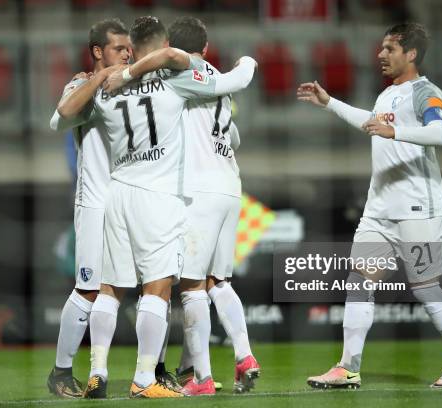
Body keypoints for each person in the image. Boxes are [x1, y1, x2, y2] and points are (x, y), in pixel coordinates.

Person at [61, 15, 257, 398]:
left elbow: (66, 115)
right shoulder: (175, 81)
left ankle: (98, 371)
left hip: (117, 191)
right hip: (159, 194)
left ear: (130, 49)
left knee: (109, 289)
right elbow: (220, 84)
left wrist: (104, 76)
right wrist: (248, 62)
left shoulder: (106, 90)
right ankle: (144, 379)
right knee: (158, 289)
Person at [297, 22, 442, 389]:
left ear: (411, 54)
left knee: (425, 288)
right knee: (359, 281)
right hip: (379, 210)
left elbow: (440, 133)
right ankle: (348, 366)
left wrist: (396, 131)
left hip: (418, 210)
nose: (380, 55)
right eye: (381, 48)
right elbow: (370, 123)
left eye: (389, 49)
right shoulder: (385, 97)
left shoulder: (426, 92)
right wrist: (329, 103)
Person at [167, 16, 260, 395]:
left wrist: (249, 63)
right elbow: (232, 136)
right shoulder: (219, 85)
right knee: (218, 282)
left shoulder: (179, 74)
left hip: (199, 191)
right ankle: (245, 354)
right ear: (205, 49)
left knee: (190, 287)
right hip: (230, 187)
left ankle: (202, 378)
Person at [46, 18, 130, 399]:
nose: (126, 54)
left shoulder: (134, 84)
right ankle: (61, 371)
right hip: (94, 203)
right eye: (118, 48)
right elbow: (60, 116)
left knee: (146, 289)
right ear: (98, 51)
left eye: (129, 48)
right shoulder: (83, 85)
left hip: (132, 203)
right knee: (88, 290)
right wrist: (98, 79)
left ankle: (151, 373)